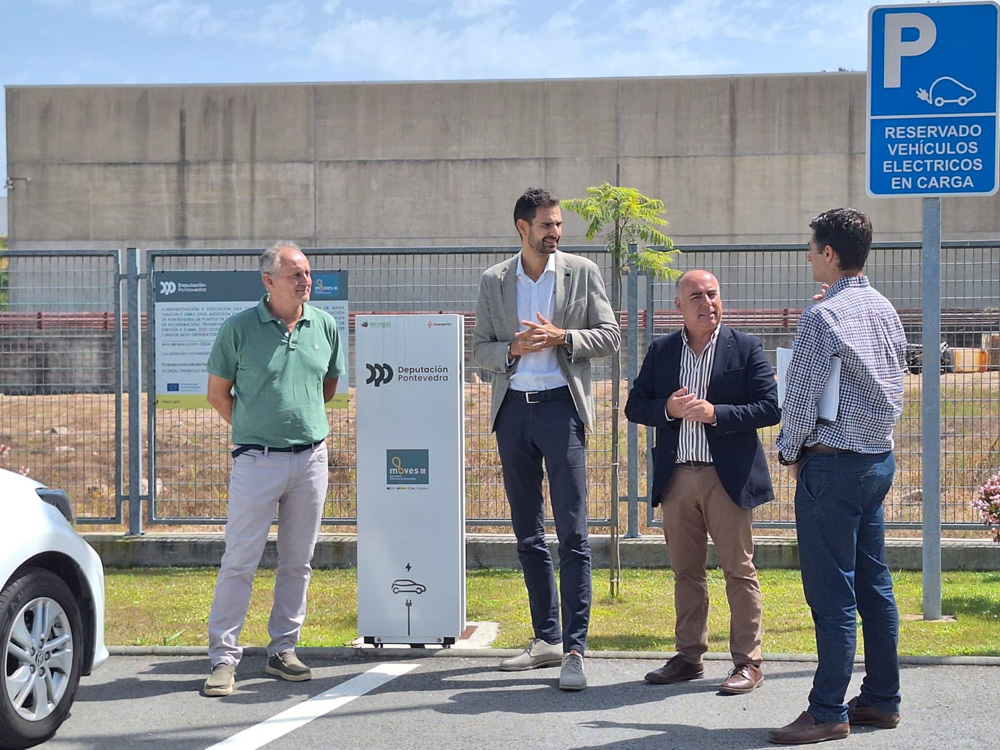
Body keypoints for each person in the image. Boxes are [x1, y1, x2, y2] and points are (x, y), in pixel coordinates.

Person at [472, 187, 620, 691]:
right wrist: (511, 348)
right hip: (512, 412)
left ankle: (575, 650)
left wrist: (564, 338)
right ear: (522, 228)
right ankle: (546, 639)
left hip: (562, 411)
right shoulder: (494, 281)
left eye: (558, 225)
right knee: (528, 532)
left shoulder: (581, 272)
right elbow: (479, 349)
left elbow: (611, 335)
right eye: (546, 225)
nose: (555, 233)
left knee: (574, 533)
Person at [768, 208, 906, 744]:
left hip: (832, 464)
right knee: (874, 585)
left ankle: (827, 709)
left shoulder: (823, 317)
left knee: (832, 595)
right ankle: (881, 698)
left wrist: (787, 452)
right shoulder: (884, 308)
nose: (807, 256)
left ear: (829, 253)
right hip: (877, 461)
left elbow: (799, 398)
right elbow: (898, 379)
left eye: (811, 247)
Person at [201, 240, 346, 697]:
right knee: (240, 561)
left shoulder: (324, 325)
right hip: (256, 461)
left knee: (297, 562)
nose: (306, 281)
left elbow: (327, 384)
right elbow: (217, 393)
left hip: (311, 460)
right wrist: (254, 427)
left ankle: (283, 650)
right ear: (268, 281)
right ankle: (223, 659)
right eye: (296, 275)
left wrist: (297, 425)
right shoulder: (239, 329)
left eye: (307, 274)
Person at [624, 269, 780, 694]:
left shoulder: (744, 347)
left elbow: (770, 407)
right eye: (696, 296)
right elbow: (635, 405)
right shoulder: (662, 351)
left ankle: (748, 662)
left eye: (713, 294)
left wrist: (717, 414)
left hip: (725, 478)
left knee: (739, 571)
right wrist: (669, 409)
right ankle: (689, 656)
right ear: (679, 306)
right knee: (686, 572)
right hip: (677, 476)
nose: (707, 302)